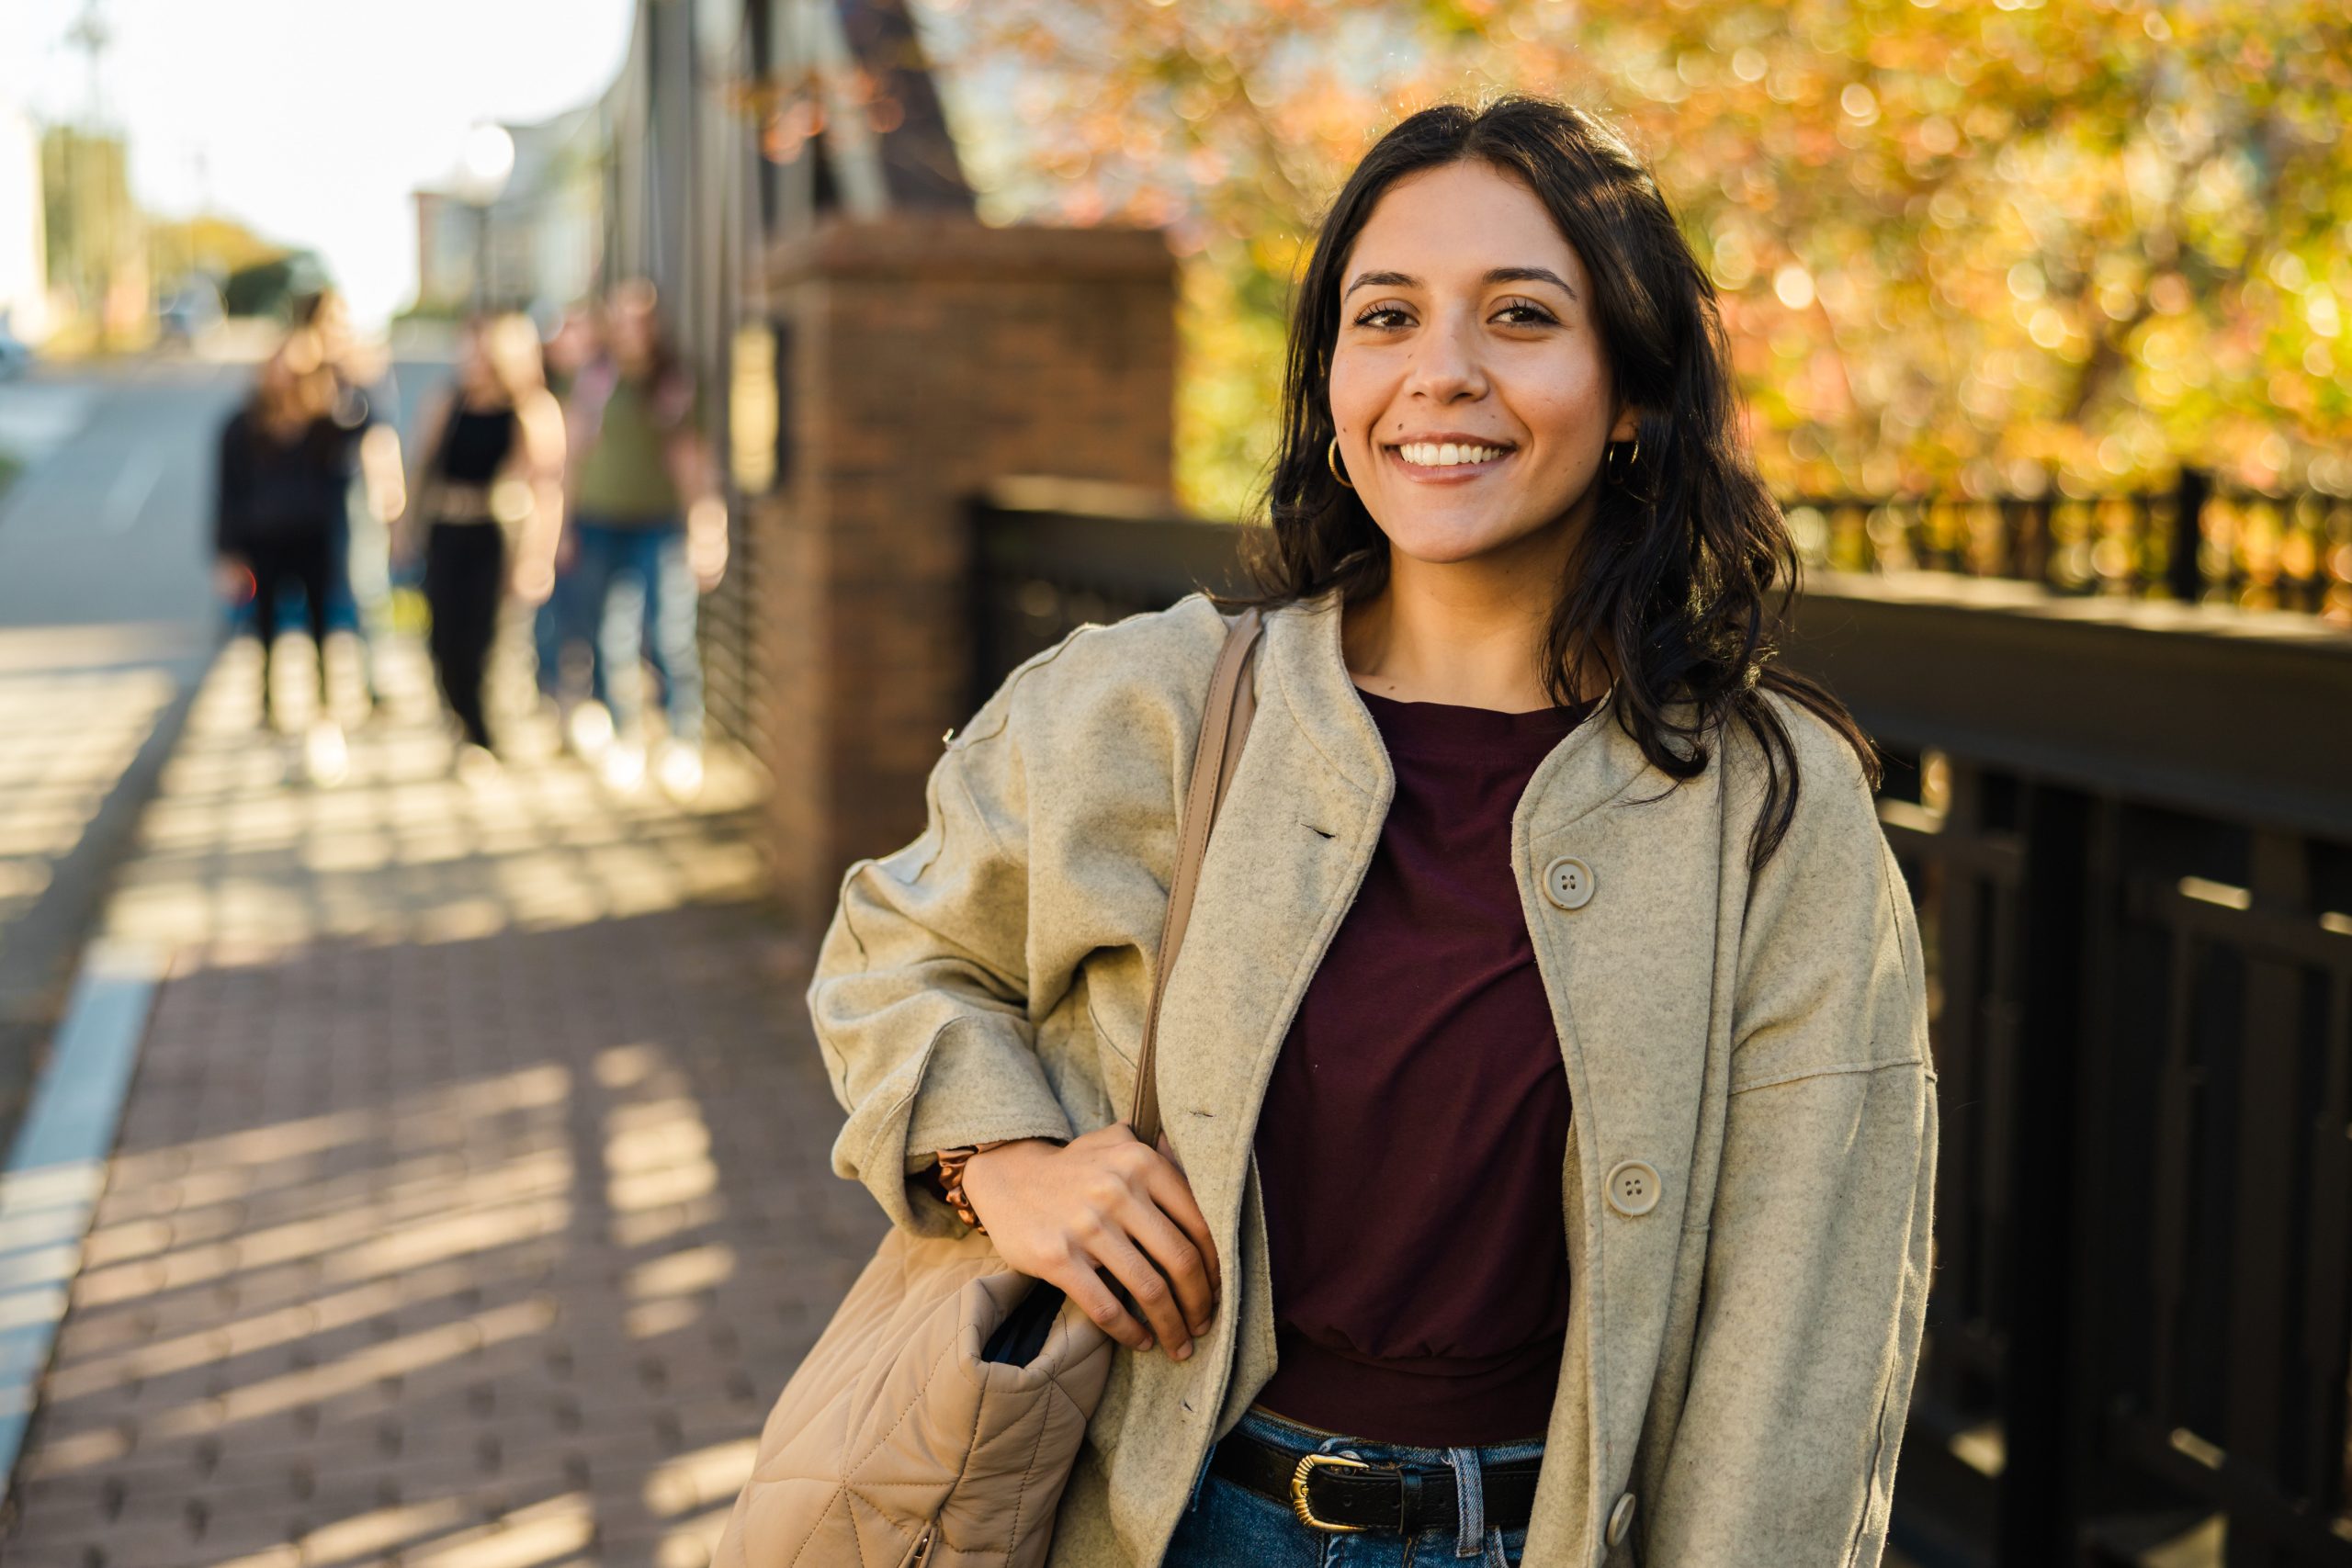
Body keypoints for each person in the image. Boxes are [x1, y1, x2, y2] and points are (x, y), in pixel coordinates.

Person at [807, 97, 1937, 1567]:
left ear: (1635, 392)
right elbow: (895, 947)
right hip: (1166, 1521)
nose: (1440, 373)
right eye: (1386, 315)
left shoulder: (1776, 810)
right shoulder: (1147, 703)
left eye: (1522, 315)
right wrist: (1001, 1158)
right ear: (1335, 377)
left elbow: (1806, 1334)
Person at [557, 280, 727, 800]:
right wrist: (560, 527)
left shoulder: (672, 384)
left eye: (641, 320)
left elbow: (693, 462)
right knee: (612, 634)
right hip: (598, 523)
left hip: (659, 525)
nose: (631, 330)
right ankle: (625, 735)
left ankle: (682, 738)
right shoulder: (595, 379)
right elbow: (572, 456)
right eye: (622, 319)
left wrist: (707, 526)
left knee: (670, 632)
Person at [397, 314, 565, 776]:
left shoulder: (529, 410)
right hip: (446, 532)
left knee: (487, 642)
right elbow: (421, 465)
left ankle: (483, 739)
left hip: (495, 535)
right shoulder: (447, 401)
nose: (470, 361)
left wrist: (537, 557)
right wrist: (403, 530)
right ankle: (462, 725)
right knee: (442, 639)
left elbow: (546, 491)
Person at [215, 327, 364, 784]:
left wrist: (342, 370)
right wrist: (227, 553)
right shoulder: (241, 426)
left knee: (322, 626)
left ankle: (323, 704)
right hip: (263, 543)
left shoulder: (323, 422)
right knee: (262, 629)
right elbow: (226, 493)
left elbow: (367, 424)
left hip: (312, 539)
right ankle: (268, 705)